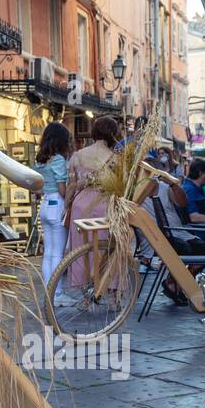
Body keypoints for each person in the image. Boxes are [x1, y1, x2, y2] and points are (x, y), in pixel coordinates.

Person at [63, 114, 122, 295]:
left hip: (81, 206)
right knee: (110, 247)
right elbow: (121, 187)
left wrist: (67, 207)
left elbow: (71, 185)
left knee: (82, 248)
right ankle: (112, 293)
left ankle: (85, 293)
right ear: (113, 134)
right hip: (106, 205)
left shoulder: (78, 156)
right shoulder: (116, 158)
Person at [33, 121, 72, 295]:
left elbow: (39, 188)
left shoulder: (40, 160)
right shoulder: (58, 159)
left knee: (48, 252)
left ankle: (49, 293)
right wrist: (69, 200)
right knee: (58, 253)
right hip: (57, 204)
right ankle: (57, 295)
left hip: (45, 204)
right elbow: (62, 187)